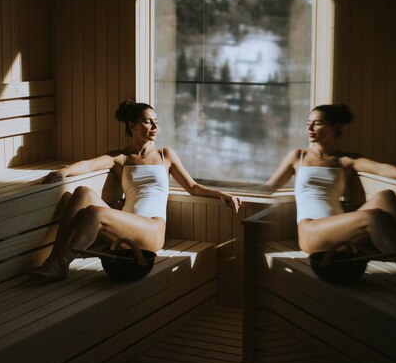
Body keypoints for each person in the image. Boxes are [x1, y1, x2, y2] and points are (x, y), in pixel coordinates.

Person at [29, 99, 241, 282]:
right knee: (81, 193)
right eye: (148, 121)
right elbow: (88, 165)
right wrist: (63, 172)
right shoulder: (121, 158)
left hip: (151, 232)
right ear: (132, 125)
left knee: (95, 212)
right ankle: (54, 260)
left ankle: (62, 263)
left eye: (156, 121)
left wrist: (222, 194)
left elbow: (193, 187)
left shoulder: (164, 155)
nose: (155, 126)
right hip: (123, 232)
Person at [264, 103, 396, 285]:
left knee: (386, 196)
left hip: (341, 232)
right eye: (308, 123)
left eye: (316, 123)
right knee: (372, 216)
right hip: (311, 232)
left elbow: (378, 168)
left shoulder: (344, 160)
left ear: (334, 127)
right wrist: (236, 195)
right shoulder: (298, 156)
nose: (309, 128)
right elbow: (270, 186)